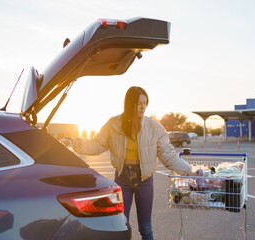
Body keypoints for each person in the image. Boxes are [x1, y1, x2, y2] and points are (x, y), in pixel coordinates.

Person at [66, 86, 193, 240]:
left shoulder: (154, 127)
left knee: (145, 227)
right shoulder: (113, 124)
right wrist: (75, 143)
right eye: (139, 103)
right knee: (120, 224)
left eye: (145, 103)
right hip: (122, 179)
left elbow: (168, 155)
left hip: (145, 181)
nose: (143, 107)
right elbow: (96, 144)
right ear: (129, 103)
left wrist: (188, 171)